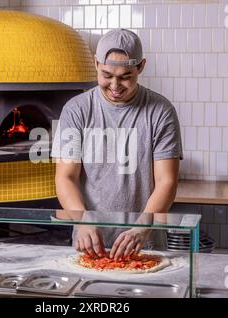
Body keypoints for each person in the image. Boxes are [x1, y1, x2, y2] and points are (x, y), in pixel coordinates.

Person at [51, 29, 183, 261]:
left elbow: (167, 181)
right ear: (96, 63)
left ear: (140, 67)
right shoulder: (76, 109)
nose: (115, 85)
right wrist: (82, 219)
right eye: (107, 75)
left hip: (144, 242)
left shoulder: (161, 111)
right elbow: (65, 177)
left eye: (125, 76)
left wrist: (142, 227)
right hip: (90, 241)